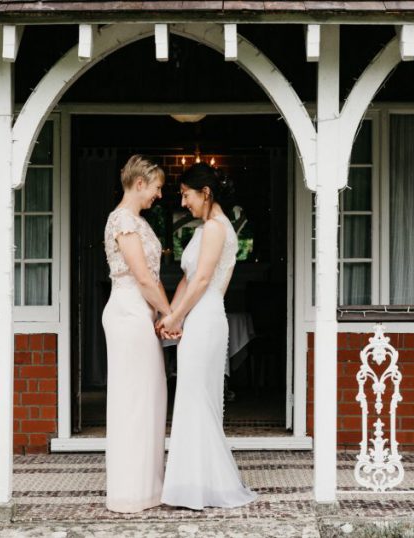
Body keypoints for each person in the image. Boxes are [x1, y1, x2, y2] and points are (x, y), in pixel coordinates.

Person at [157, 163, 257, 510]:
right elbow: (187, 278)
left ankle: (207, 483)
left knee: (199, 398)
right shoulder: (204, 230)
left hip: (207, 316)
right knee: (190, 396)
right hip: (194, 315)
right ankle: (192, 481)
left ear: (205, 193)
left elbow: (202, 283)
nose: (183, 202)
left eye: (185, 194)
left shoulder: (217, 228)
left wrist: (177, 315)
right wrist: (169, 314)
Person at [101, 155, 171, 513]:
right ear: (140, 183)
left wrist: (161, 310)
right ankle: (130, 491)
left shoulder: (136, 221)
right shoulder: (123, 220)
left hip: (140, 312)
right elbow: (143, 278)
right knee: (134, 401)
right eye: (157, 188)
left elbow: (151, 279)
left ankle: (147, 487)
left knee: (149, 397)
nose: (158, 195)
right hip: (128, 312)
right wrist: (171, 313)